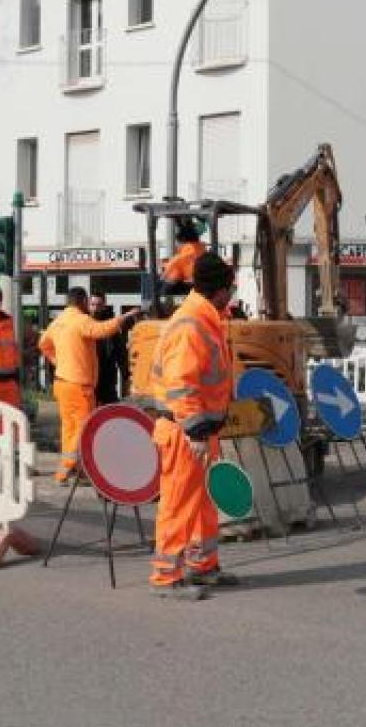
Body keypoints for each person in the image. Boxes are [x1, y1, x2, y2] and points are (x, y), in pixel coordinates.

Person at [146, 253, 240, 600]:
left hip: (198, 431)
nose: (231, 294)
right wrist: (197, 431)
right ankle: (165, 577)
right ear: (218, 290)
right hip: (185, 432)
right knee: (178, 505)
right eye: (229, 288)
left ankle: (202, 566)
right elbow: (181, 385)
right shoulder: (191, 324)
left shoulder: (205, 317)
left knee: (203, 504)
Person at [39, 287, 136, 485]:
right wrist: (123, 318)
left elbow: (43, 343)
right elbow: (101, 330)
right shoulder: (81, 320)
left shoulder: (58, 321)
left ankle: (76, 469)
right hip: (79, 385)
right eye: (87, 302)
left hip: (62, 383)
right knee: (83, 428)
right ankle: (65, 471)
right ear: (82, 301)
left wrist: (58, 361)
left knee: (69, 428)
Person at [88, 290, 123, 404]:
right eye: (93, 305)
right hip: (89, 379)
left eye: (98, 305)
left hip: (107, 379)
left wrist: (126, 374)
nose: (95, 308)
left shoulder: (111, 326)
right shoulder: (84, 324)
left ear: (104, 306)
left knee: (111, 414)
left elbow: (120, 352)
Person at [161, 219, 207, 294]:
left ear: (181, 241)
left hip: (192, 297)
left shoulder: (179, 259)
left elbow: (169, 284)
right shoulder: (207, 254)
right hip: (209, 294)